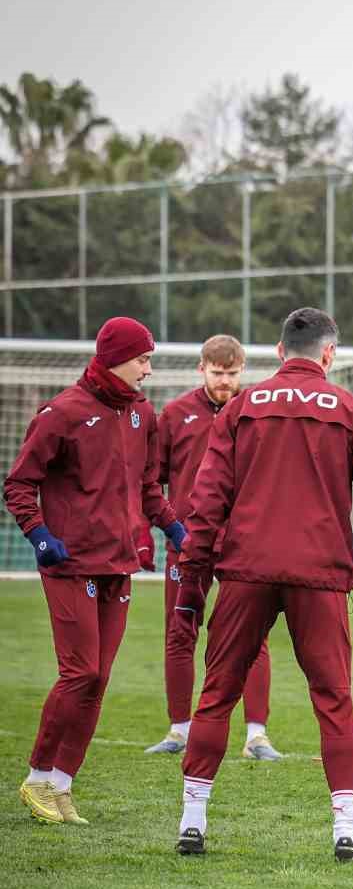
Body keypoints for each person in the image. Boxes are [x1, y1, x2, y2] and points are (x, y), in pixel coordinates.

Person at [173, 307, 353, 862]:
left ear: (280, 352)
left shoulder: (239, 407)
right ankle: (346, 831)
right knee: (333, 700)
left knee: (216, 696)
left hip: (244, 570)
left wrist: (191, 583)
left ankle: (192, 821)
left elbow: (205, 504)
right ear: (329, 355)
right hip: (320, 575)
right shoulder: (351, 411)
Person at [4, 317, 184, 826]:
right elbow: (19, 484)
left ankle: (61, 787)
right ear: (114, 358)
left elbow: (149, 489)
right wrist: (41, 536)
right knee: (79, 671)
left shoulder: (142, 415)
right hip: (70, 563)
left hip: (119, 563)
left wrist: (175, 530)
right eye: (143, 359)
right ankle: (37, 775)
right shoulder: (61, 413)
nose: (149, 370)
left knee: (99, 678)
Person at [142, 335, 279, 761]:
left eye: (232, 374)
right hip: (187, 543)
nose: (224, 381)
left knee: (253, 638)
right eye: (218, 373)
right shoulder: (176, 414)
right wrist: (170, 526)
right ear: (201, 368)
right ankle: (179, 729)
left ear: (243, 372)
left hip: (243, 545)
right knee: (180, 632)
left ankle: (257, 735)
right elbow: (152, 481)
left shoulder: (257, 412)